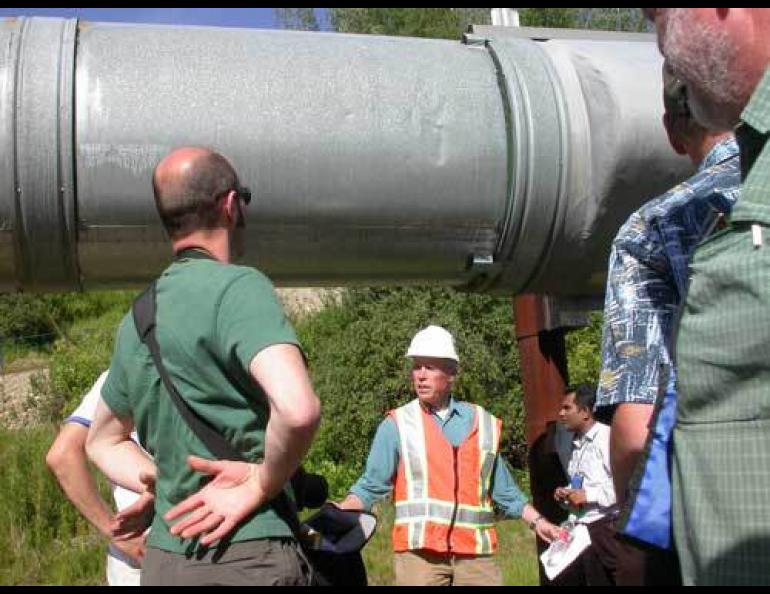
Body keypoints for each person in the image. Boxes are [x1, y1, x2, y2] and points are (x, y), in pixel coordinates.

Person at [85, 147, 321, 586]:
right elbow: (298, 410)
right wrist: (259, 485)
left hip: (166, 563)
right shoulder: (239, 288)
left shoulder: (138, 318)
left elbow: (100, 442)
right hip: (249, 555)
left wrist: (172, 480)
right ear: (231, 205)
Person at [594, 58, 740, 585]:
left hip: (724, 525)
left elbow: (637, 425)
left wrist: (637, 540)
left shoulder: (654, 230)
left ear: (674, 129)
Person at [645, 8, 770, 586]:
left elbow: (633, 415)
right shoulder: (751, 170)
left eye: (656, 15)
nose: (660, 43)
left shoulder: (650, 229)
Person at [337, 325, 561, 586]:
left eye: (429, 368)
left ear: (452, 373)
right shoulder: (398, 424)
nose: (420, 376)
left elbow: (505, 491)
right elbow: (370, 485)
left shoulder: (483, 423)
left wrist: (539, 522)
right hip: (420, 557)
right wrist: (341, 511)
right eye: (416, 367)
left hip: (475, 557)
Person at [46, 372, 145, 586]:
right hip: (149, 546)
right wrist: (120, 535)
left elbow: (63, 455)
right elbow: (63, 455)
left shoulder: (123, 371)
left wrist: (117, 533)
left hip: (139, 546)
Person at [553, 384, 618, 585]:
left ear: (586, 412)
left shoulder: (607, 438)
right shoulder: (576, 445)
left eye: (567, 408)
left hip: (608, 529)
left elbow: (625, 485)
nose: (561, 413)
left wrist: (588, 495)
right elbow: (581, 484)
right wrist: (567, 495)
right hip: (583, 530)